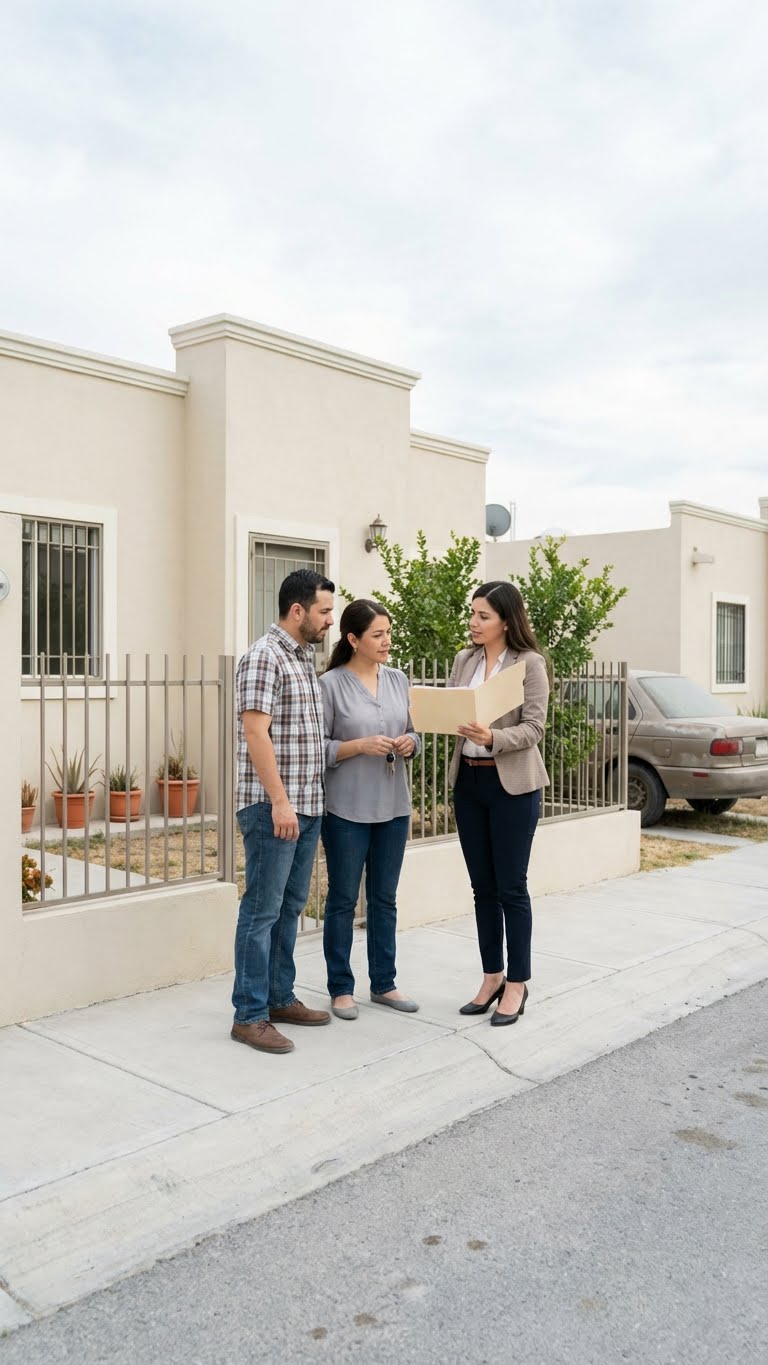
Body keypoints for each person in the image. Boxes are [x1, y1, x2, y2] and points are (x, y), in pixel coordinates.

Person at [232, 568, 335, 1055]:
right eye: (324, 611)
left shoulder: (303, 659)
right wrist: (279, 801)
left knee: (290, 908)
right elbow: (257, 734)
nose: (330, 620)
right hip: (274, 808)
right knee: (261, 910)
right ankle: (249, 1015)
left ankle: (278, 997)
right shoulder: (264, 657)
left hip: (307, 806)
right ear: (298, 611)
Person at [448, 581, 549, 1026]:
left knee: (511, 887)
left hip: (513, 787)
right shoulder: (463, 661)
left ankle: (518, 983)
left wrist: (492, 737)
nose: (473, 622)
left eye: (483, 616)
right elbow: (454, 708)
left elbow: (534, 729)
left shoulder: (529, 664)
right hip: (468, 784)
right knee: (481, 888)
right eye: (472, 614)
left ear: (506, 620)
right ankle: (492, 977)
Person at [320, 599, 421, 1020]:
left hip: (393, 807)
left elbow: (414, 732)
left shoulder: (399, 680)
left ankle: (384, 983)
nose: (387, 641)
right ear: (353, 639)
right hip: (345, 810)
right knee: (343, 899)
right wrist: (358, 747)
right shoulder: (329, 685)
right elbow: (317, 747)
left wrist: (410, 744)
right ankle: (341, 988)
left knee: (385, 898)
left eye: (388, 633)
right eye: (377, 634)